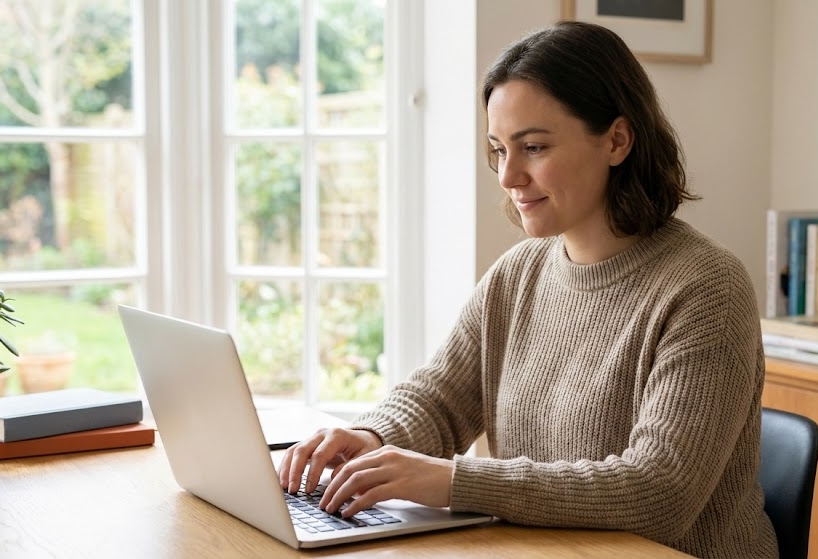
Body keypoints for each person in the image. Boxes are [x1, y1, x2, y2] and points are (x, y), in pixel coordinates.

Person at [279, 21, 778, 558]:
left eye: (533, 147)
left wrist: (452, 482)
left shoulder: (706, 288)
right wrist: (373, 439)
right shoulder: (519, 273)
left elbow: (660, 492)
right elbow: (441, 399)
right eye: (499, 150)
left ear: (617, 140)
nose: (508, 176)